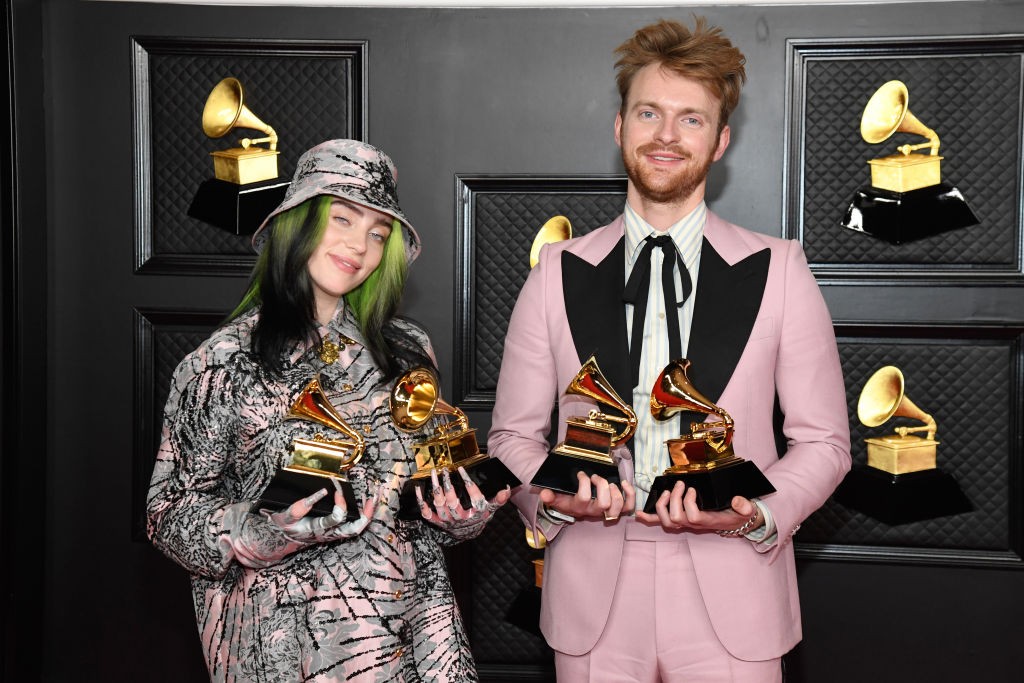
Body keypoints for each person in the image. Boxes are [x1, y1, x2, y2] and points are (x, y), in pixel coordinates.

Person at [488, 17, 851, 682]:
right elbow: (512, 435)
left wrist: (757, 512)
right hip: (592, 593)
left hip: (736, 584)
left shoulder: (781, 269)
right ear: (619, 126)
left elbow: (825, 442)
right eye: (649, 112)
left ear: (720, 141)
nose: (666, 135)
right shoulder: (554, 273)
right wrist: (554, 497)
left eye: (691, 119)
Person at [148, 139, 509, 681]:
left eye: (378, 233)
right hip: (292, 654)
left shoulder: (407, 350)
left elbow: (415, 505)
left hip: (421, 645)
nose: (360, 245)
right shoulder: (222, 362)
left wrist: (459, 517)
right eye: (342, 219)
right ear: (299, 222)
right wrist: (257, 531)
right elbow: (168, 514)